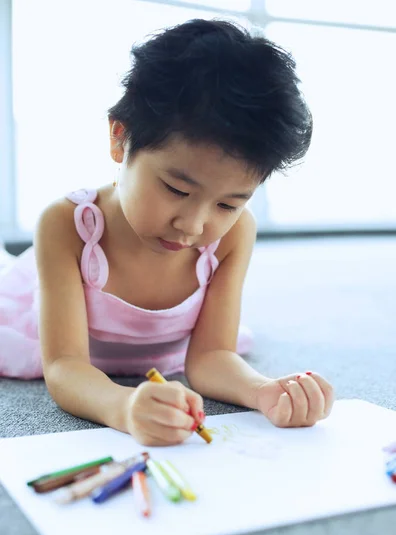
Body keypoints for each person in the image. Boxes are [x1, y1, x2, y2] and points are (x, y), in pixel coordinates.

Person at [0, 18, 334, 445]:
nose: (194, 226)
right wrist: (123, 405)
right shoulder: (66, 226)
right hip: (45, 325)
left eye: (229, 204)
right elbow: (64, 366)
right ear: (120, 137)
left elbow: (212, 356)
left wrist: (263, 392)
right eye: (177, 189)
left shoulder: (233, 235)